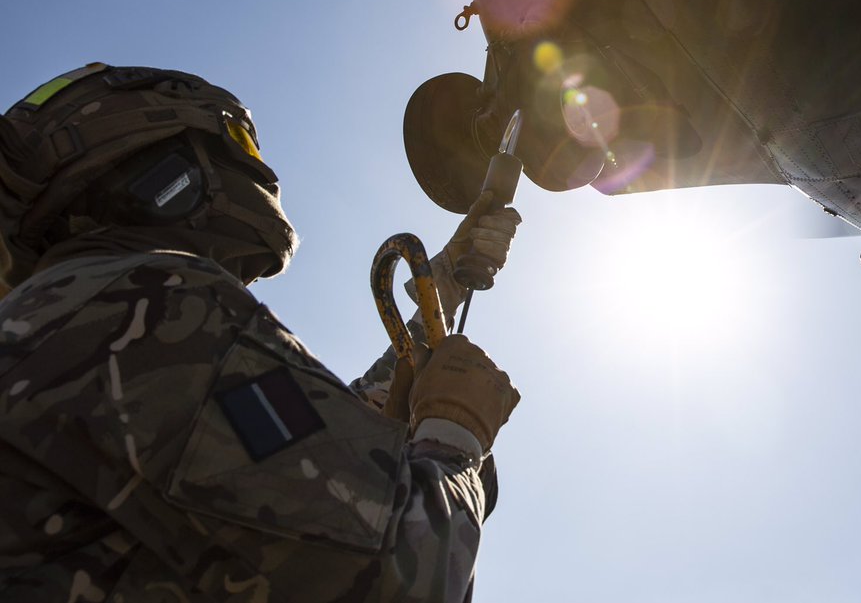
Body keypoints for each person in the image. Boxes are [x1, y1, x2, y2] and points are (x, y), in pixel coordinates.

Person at [0, 63, 522, 602]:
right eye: (240, 144)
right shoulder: (150, 300)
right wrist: (456, 432)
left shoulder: (77, 312)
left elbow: (316, 452)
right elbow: (409, 570)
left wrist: (447, 285)